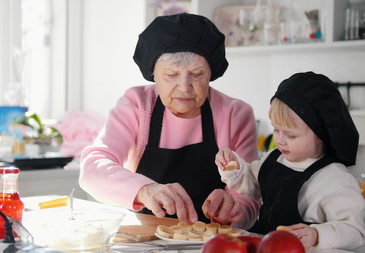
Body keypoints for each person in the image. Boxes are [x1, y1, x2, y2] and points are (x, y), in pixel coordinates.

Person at [79, 13, 260, 227]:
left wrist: (234, 211)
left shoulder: (236, 114)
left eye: (197, 74)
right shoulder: (137, 105)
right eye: (171, 75)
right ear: (153, 74)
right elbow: (92, 168)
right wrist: (146, 190)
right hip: (146, 240)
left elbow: (249, 199)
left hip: (212, 241)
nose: (184, 87)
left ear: (211, 73)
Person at [215, 72, 365, 250]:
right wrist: (233, 167)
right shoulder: (273, 158)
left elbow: (355, 231)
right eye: (276, 129)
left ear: (320, 135)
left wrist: (318, 235)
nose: (279, 140)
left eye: (290, 135)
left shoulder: (335, 179)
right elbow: (250, 183)